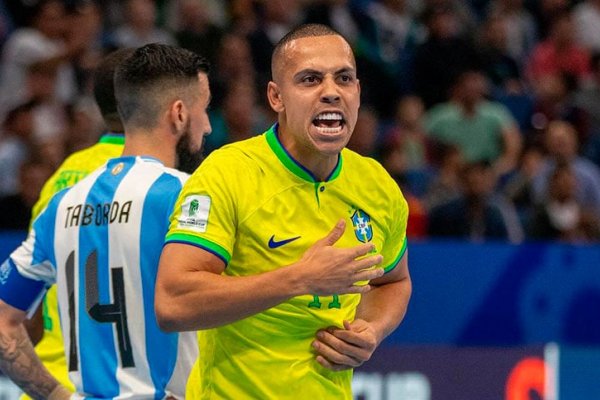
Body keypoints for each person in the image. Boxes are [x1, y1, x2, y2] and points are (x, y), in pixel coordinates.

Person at [156, 24, 412, 399]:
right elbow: (172, 303)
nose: (331, 92)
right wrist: (299, 278)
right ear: (276, 97)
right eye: (310, 79)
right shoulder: (228, 173)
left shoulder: (376, 184)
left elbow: (393, 281)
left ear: (357, 92)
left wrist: (371, 329)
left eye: (344, 78)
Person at [0, 43, 211, 399]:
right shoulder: (187, 195)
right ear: (178, 114)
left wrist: (56, 396)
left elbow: (3, 319)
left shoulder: (62, 201)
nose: (206, 126)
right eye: (203, 110)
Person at [18, 47, 133, 400]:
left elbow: (29, 296)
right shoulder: (165, 182)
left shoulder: (62, 178)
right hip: (117, 385)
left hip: (52, 377)